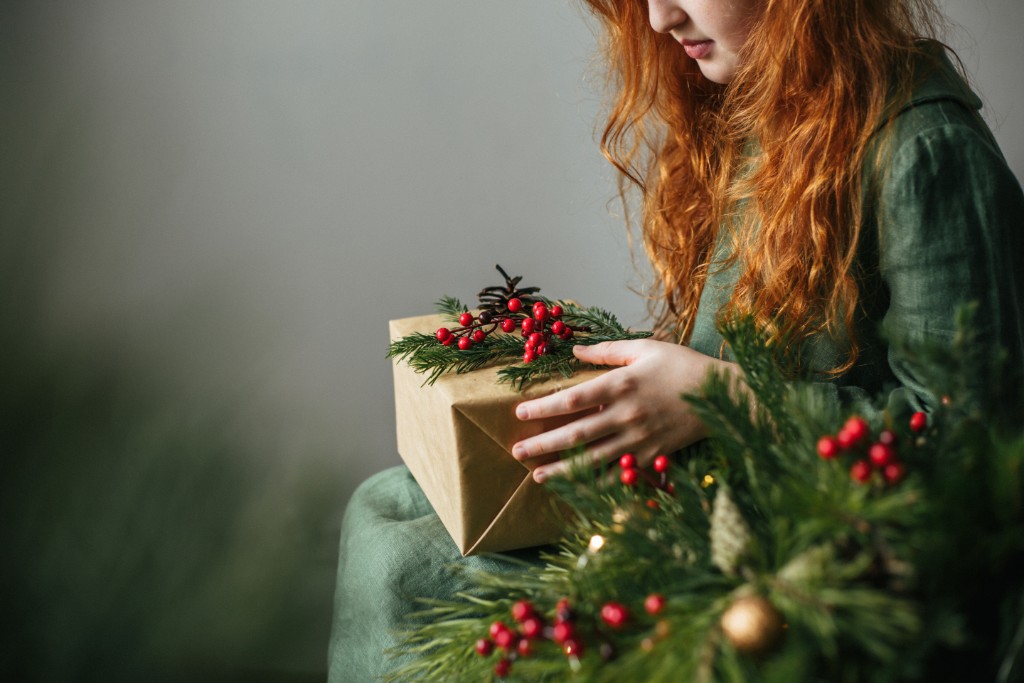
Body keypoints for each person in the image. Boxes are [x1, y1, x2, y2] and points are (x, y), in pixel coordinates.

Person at [328, 1, 1024, 680]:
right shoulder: (767, 105)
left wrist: (716, 396)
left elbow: (971, 451)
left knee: (405, 566)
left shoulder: (926, 151)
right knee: (387, 508)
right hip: (716, 496)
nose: (659, 18)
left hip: (820, 570)